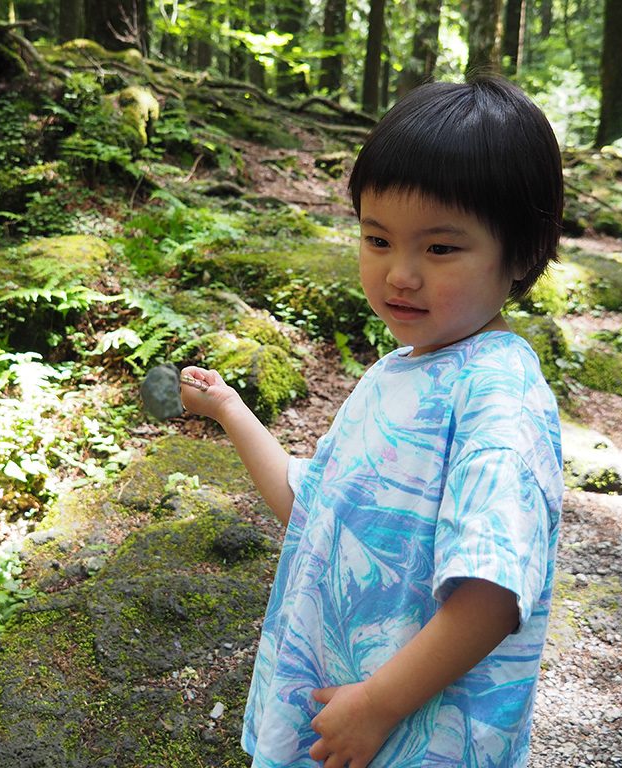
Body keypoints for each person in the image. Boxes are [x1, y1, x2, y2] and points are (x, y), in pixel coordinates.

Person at [179, 75, 565, 768]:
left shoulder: (499, 399)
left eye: (439, 249)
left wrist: (379, 704)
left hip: (417, 737)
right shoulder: (398, 370)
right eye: (378, 239)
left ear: (522, 253)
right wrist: (231, 411)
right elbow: (315, 509)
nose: (400, 274)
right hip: (345, 717)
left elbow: (490, 592)